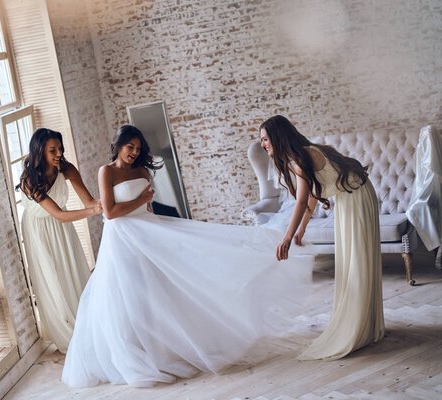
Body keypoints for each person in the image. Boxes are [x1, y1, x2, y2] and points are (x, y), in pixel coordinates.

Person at [61, 125, 313, 388]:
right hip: (120, 241)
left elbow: (146, 209)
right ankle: (131, 355)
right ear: (119, 145)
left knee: (155, 294)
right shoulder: (107, 171)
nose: (134, 153)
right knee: (124, 298)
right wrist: (141, 200)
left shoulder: (142, 171)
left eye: (138, 148)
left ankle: (161, 350)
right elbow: (111, 213)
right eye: (130, 147)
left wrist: (147, 209)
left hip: (147, 234)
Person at [259, 115, 385, 360]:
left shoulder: (300, 157)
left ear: (277, 136)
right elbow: (315, 194)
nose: (263, 144)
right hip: (354, 197)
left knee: (356, 262)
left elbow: (302, 200)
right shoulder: (303, 154)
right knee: (353, 261)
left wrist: (287, 237)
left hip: (355, 198)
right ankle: (363, 325)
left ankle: (359, 328)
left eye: (265, 139)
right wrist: (302, 229)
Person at [16, 128, 102, 353]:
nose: (58, 154)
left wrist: (105, 204)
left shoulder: (66, 168)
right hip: (40, 230)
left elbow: (89, 200)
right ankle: (67, 330)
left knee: (72, 270)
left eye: (60, 149)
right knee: (53, 278)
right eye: (52, 150)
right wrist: (92, 212)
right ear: (39, 151)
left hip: (62, 229)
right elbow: (60, 215)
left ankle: (87, 321)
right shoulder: (29, 181)